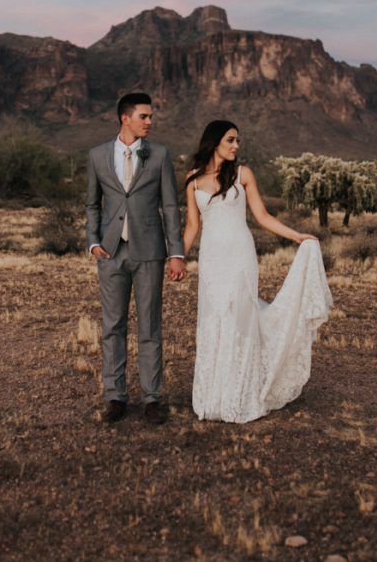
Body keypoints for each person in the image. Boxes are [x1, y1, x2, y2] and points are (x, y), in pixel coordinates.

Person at [184, 120, 332, 423]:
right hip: (211, 259)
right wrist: (174, 257)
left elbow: (262, 216)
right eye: (230, 140)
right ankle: (214, 396)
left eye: (237, 141)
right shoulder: (193, 181)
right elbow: (192, 227)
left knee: (240, 319)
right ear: (214, 142)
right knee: (214, 319)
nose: (236, 146)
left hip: (240, 256)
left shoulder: (243, 174)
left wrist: (295, 236)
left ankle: (242, 394)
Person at [86, 92, 185, 424]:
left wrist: (176, 253)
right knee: (112, 326)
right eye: (144, 116)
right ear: (124, 118)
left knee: (150, 325)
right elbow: (92, 204)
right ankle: (115, 396)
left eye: (151, 116)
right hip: (111, 252)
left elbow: (170, 206)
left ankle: (151, 397)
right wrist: (93, 241)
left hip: (150, 252)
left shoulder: (159, 155)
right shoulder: (98, 156)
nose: (150, 122)